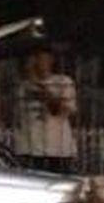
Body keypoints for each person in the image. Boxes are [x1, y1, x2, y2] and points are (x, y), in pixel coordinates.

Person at [15, 44, 77, 174]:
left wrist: (40, 88)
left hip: (57, 149)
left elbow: (60, 111)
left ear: (51, 60)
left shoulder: (63, 81)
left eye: (41, 58)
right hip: (30, 147)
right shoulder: (23, 85)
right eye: (35, 58)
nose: (38, 62)